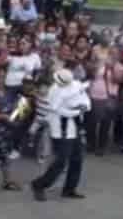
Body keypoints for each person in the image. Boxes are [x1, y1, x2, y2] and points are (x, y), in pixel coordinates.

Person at [31, 69, 90, 201]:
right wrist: (76, 110)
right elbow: (59, 110)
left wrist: (84, 106)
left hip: (75, 127)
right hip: (60, 129)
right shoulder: (54, 91)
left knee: (77, 159)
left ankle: (69, 189)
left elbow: (85, 98)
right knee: (61, 161)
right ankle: (39, 185)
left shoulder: (75, 85)